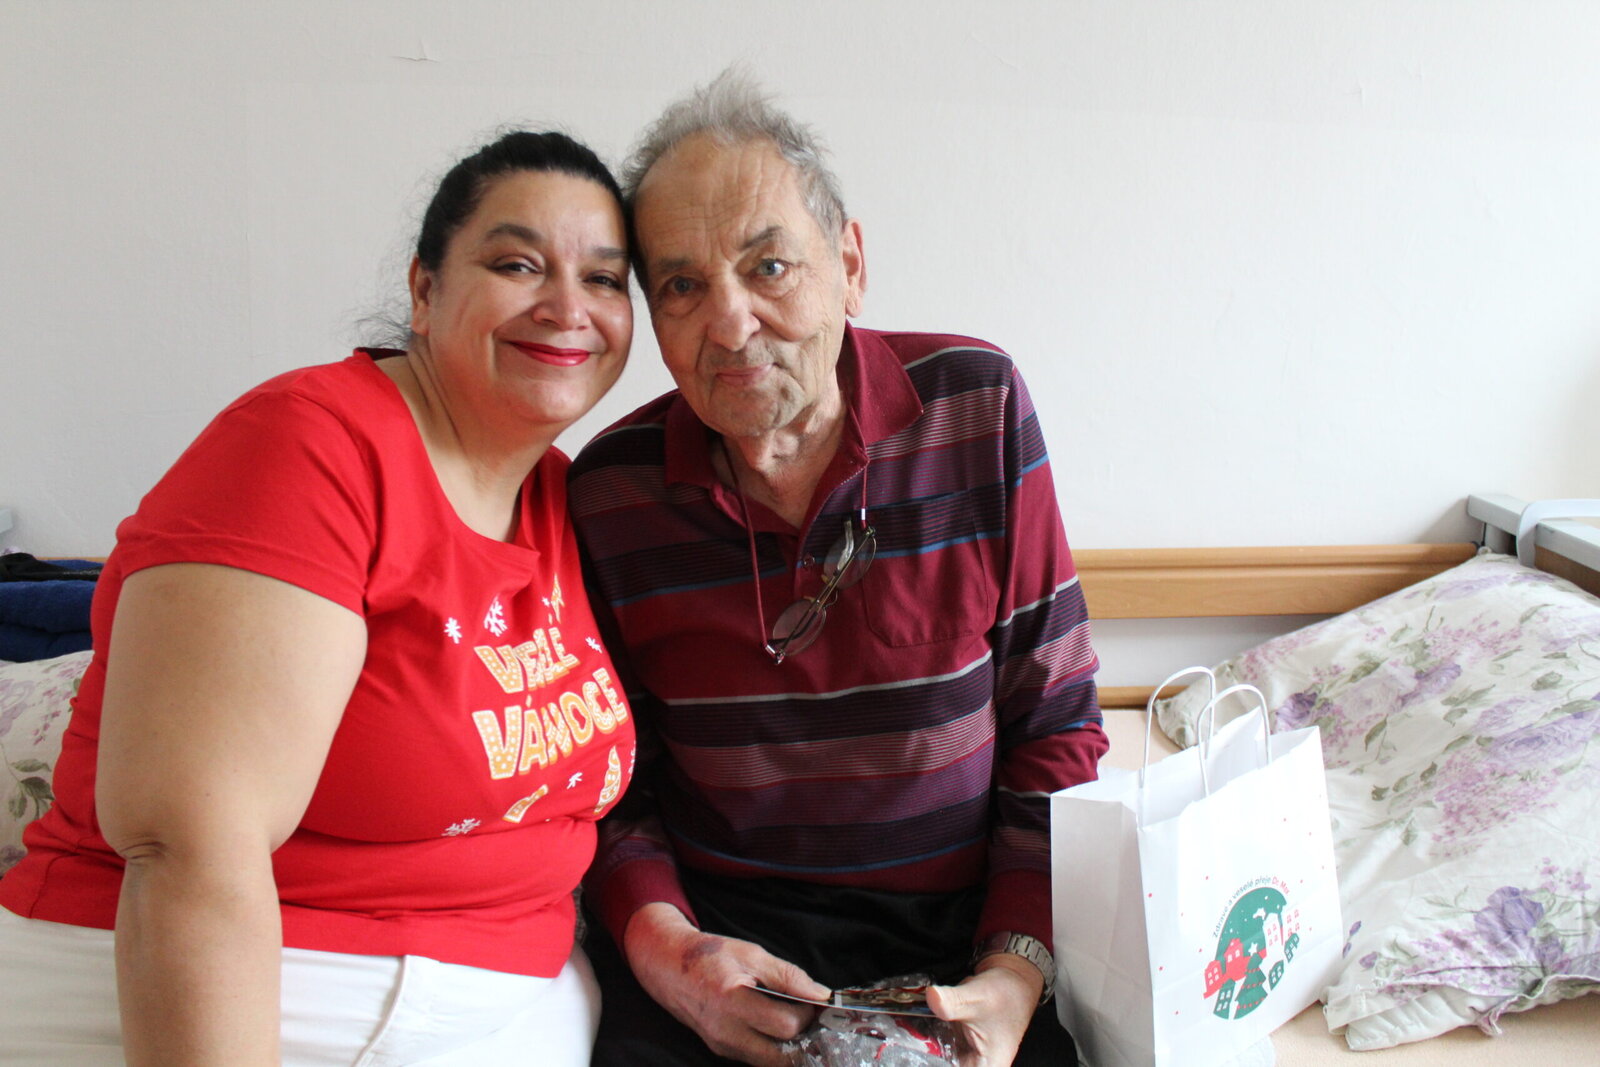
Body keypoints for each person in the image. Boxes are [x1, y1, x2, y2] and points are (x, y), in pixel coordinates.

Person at [0, 130, 637, 1067]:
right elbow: (189, 848)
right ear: (424, 290)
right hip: (232, 998)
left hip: (490, 1000)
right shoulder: (307, 449)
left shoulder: (562, 496)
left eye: (605, 279)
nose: (568, 307)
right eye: (517, 264)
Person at [567, 71, 1106, 1067]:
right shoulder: (610, 494)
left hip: (959, 935)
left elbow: (1056, 724)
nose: (730, 323)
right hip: (722, 934)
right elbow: (604, 781)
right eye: (681, 286)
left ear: (849, 264)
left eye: (768, 266)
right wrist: (668, 949)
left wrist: (1013, 971)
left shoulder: (976, 410)